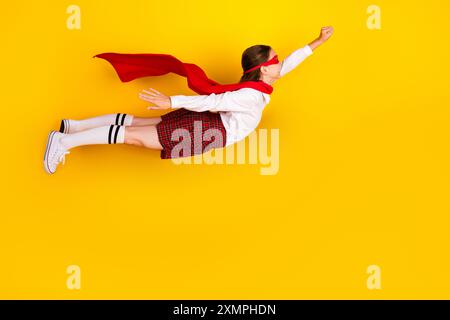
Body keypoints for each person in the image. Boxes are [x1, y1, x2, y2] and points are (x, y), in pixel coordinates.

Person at [44, 26, 334, 174]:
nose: (280, 63)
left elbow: (292, 64)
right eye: (276, 59)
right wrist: (171, 101)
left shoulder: (262, 87)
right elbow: (213, 104)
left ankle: (74, 126)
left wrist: (316, 43)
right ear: (264, 68)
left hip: (209, 126)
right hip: (208, 129)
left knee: (140, 126)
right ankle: (63, 141)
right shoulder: (249, 95)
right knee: (136, 137)